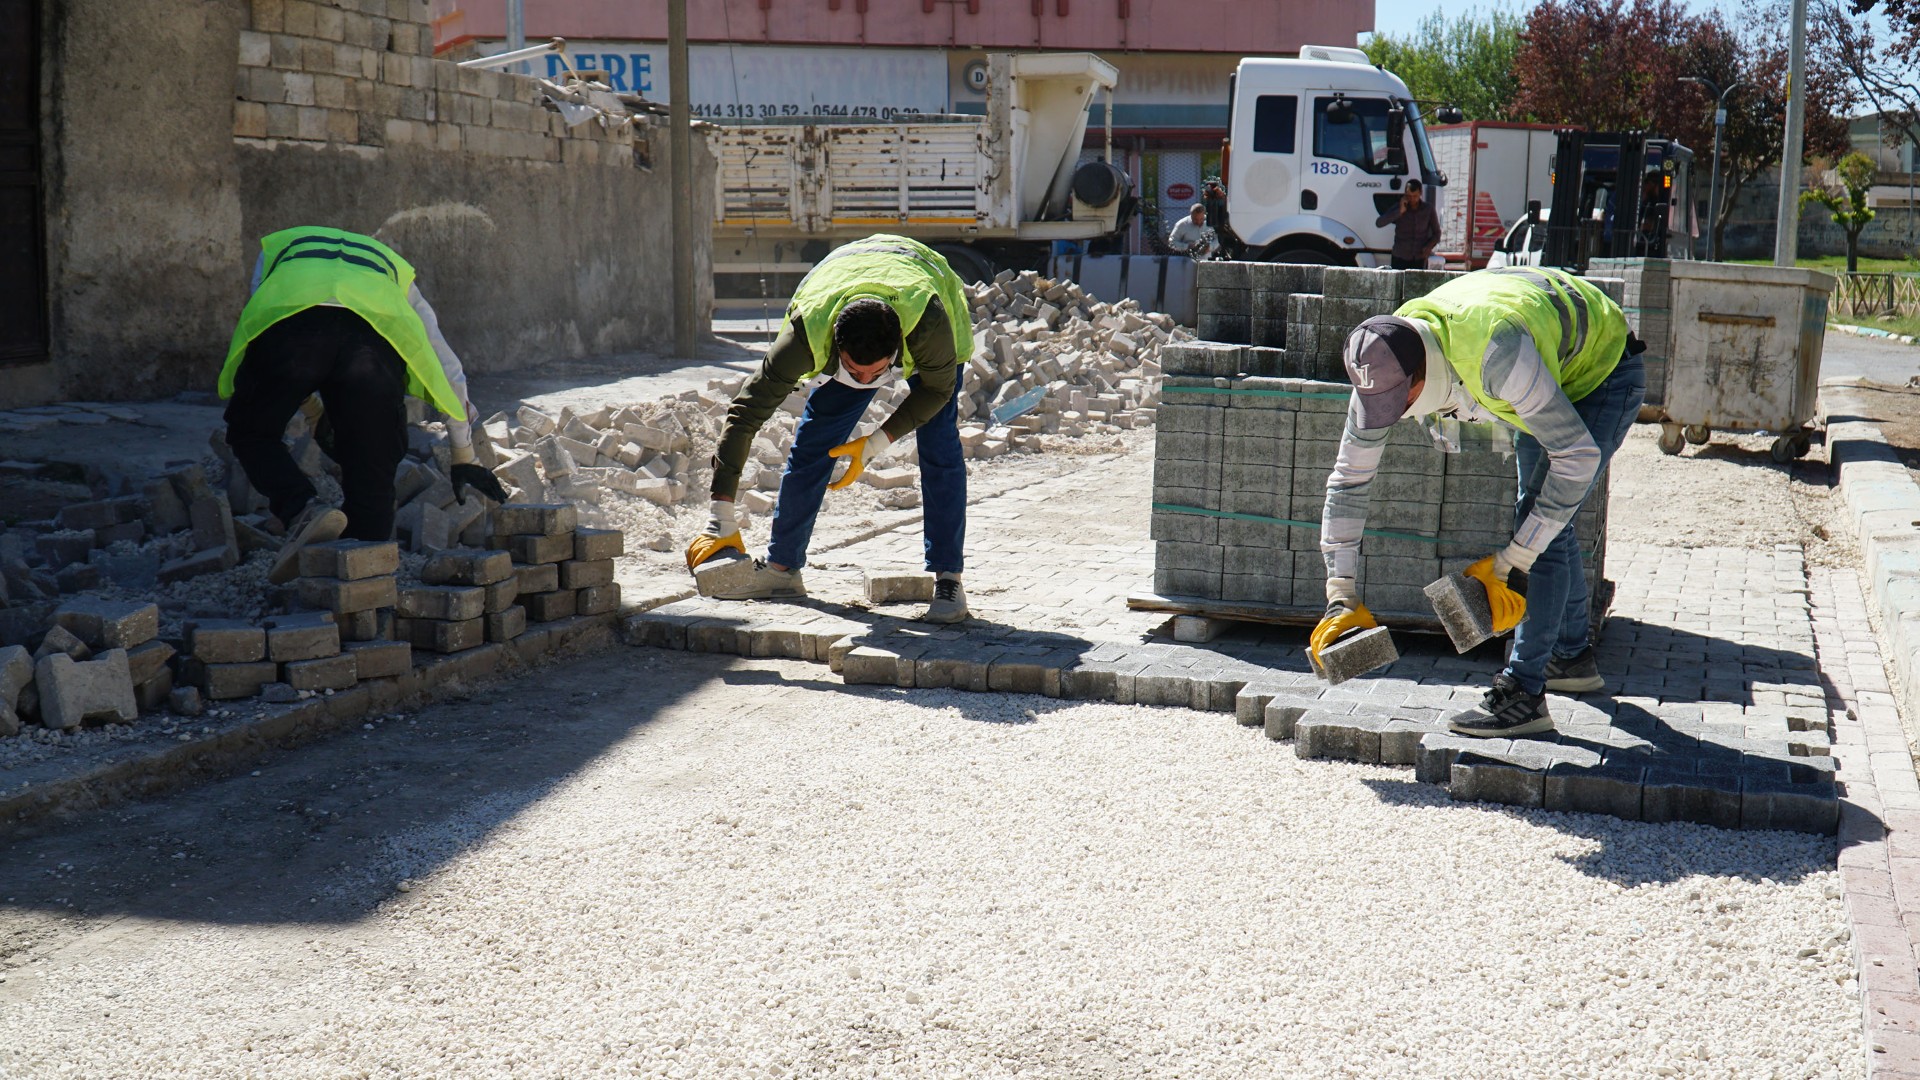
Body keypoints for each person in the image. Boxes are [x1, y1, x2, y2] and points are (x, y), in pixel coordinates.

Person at [1310, 265, 1647, 738]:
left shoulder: (1495, 355)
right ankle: (1571, 657)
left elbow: (1577, 459)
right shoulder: (1382, 355)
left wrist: (1514, 559)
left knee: (1539, 519)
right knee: (1546, 516)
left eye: (1398, 403)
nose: (1392, 415)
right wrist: (1339, 591)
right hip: (1541, 354)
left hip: (1600, 371)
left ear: (1418, 375)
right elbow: (1348, 479)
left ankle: (1524, 695)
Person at [685, 234, 972, 623]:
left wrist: (873, 444)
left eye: (879, 372)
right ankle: (782, 569)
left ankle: (948, 580)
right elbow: (745, 414)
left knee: (939, 445)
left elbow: (937, 390)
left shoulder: (929, 325)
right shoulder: (806, 335)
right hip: (840, 283)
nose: (869, 380)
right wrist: (720, 516)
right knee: (815, 444)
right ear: (837, 349)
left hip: (921, 286)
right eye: (856, 371)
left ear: (898, 348)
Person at [219, 226, 506, 584]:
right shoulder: (394, 270)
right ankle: (365, 583)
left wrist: (311, 410)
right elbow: (446, 364)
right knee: (373, 463)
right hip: (371, 347)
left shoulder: (279, 249)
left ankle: (301, 509)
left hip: (296, 333)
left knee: (253, 431)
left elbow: (266, 326)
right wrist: (463, 453)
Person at [1375, 179, 1440, 270]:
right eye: (1409, 196)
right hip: (1400, 257)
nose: (1412, 199)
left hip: (1419, 258)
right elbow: (1379, 223)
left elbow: (1437, 233)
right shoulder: (1399, 207)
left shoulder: (1428, 209)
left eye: (1415, 196)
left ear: (1420, 193)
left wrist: (1429, 246)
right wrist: (1399, 212)